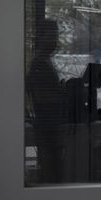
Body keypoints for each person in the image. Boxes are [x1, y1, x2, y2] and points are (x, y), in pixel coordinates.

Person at [26, 20, 68, 183]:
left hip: (51, 124)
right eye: (51, 36)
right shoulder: (39, 64)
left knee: (54, 165)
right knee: (52, 168)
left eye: (56, 36)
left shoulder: (46, 61)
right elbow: (42, 97)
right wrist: (63, 93)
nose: (55, 41)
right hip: (47, 125)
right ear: (41, 38)